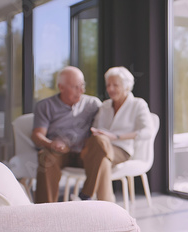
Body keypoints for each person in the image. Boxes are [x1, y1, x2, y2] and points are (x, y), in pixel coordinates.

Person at [74, 66, 154, 202]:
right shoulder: (105, 106)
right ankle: (107, 211)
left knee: (100, 148)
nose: (110, 89)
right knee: (102, 158)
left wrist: (115, 137)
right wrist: (99, 134)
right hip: (100, 148)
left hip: (121, 150)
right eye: (108, 85)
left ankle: (86, 193)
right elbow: (95, 128)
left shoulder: (138, 104)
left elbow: (148, 132)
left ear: (127, 86)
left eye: (115, 85)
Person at [32, 66, 101, 203]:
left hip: (84, 152)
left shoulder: (93, 104)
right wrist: (51, 144)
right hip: (59, 152)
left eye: (82, 86)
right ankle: (45, 211)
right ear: (61, 87)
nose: (80, 91)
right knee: (46, 157)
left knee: (100, 145)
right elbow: (37, 135)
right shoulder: (45, 106)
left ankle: (86, 196)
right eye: (75, 87)